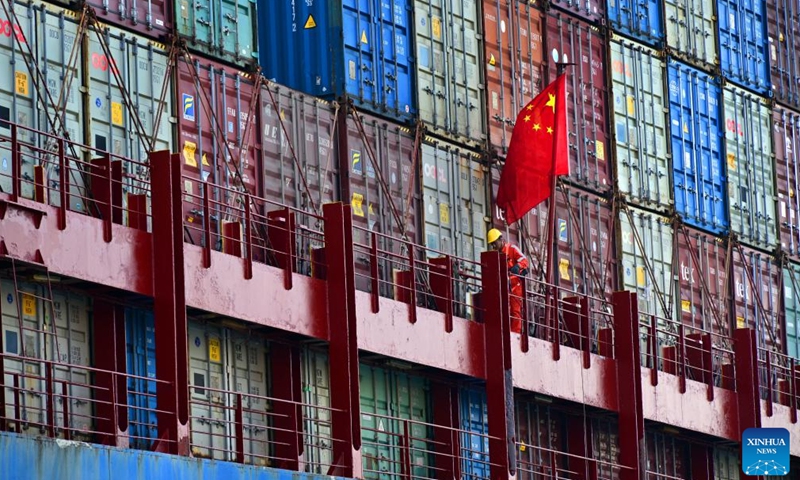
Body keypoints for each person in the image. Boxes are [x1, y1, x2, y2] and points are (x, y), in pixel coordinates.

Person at [487, 228, 529, 333]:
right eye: (492, 244)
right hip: (504, 286)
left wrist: (517, 266)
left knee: (515, 311)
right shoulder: (495, 255)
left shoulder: (512, 249)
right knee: (503, 310)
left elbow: (524, 260)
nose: (493, 246)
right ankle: (503, 331)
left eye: (494, 243)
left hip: (515, 286)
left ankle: (515, 333)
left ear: (501, 240)